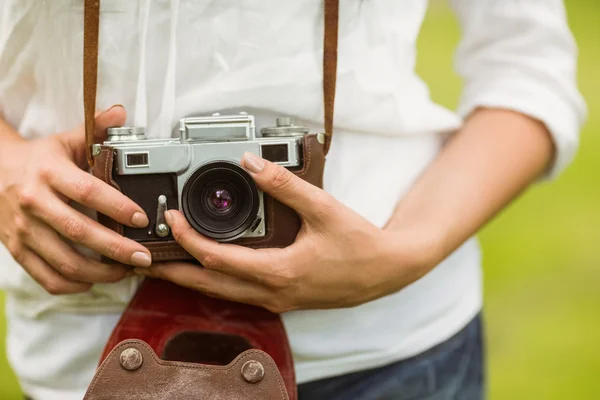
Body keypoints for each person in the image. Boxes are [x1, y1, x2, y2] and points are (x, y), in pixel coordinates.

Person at [0, 1, 586, 399]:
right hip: (84, 352)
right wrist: (9, 165)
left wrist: (403, 252)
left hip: (384, 353)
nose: (220, 197)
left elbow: (528, 69)